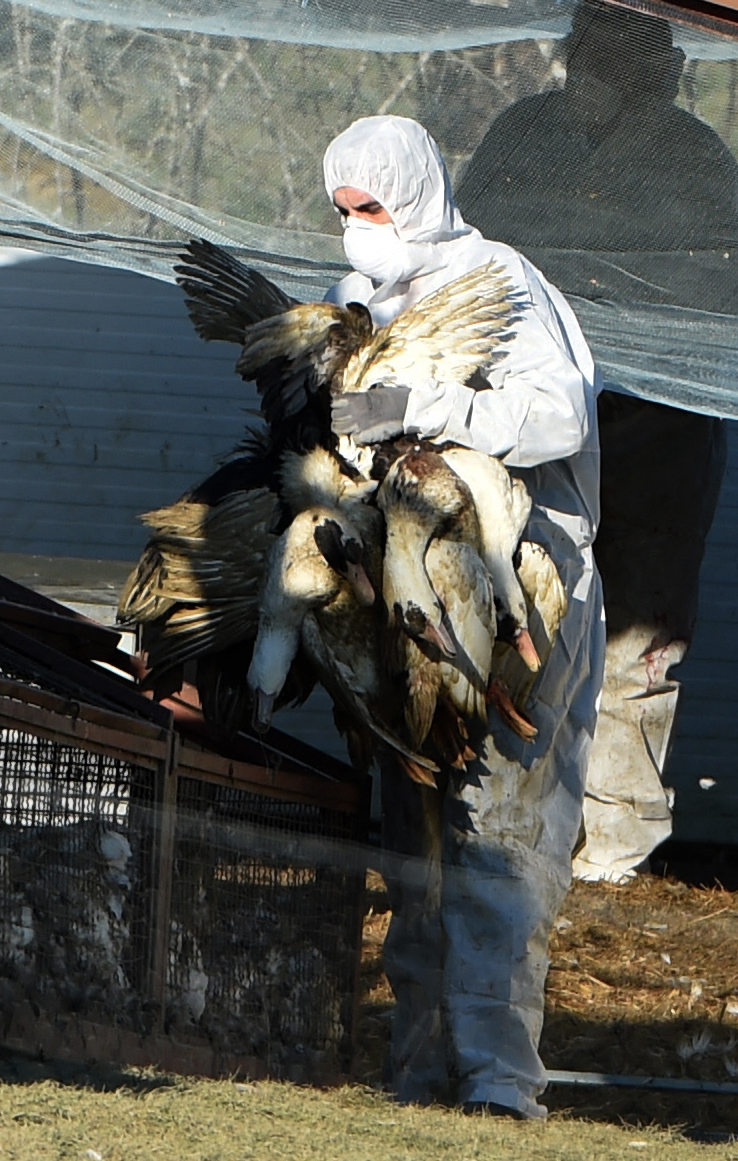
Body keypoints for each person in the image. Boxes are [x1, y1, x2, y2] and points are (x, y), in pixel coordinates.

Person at [323, 115, 604, 1119]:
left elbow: (560, 415)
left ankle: (497, 1084)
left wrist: (430, 407)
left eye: (372, 207)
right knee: (416, 842)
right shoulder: (357, 299)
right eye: (343, 211)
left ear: (416, 195)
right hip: (407, 605)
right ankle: (419, 1074)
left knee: (496, 836)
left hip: (523, 592)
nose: (358, 228)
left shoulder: (500, 282)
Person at [455, 0, 737, 883]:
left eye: (631, 45)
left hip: (659, 440)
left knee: (637, 648)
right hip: (533, 435)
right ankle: (505, 841)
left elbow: (718, 297)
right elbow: (467, 263)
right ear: (575, 49)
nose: (609, 63)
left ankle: (614, 861)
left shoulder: (696, 162)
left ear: (663, 62)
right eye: (599, 42)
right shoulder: (524, 133)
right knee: (521, 626)